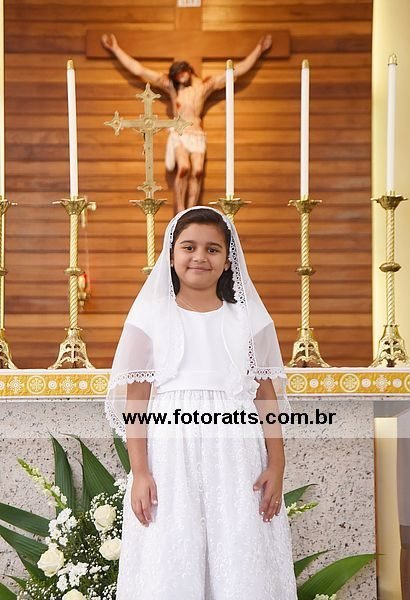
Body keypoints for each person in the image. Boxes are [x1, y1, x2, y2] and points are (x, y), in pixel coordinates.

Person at [105, 205, 297, 599]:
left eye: (213, 249)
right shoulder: (149, 317)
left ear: (228, 260)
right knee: (172, 550)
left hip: (237, 454)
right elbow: (137, 402)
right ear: (171, 255)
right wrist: (140, 472)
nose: (199, 257)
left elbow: (265, 396)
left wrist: (277, 463)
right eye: (188, 247)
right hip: (171, 456)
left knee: (240, 548)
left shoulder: (249, 320)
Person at [101, 34, 272, 216]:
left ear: (189, 70)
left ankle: (192, 208)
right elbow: (139, 70)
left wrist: (258, 50)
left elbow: (235, 72)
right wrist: (116, 49)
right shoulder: (171, 86)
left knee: (197, 171)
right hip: (180, 132)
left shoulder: (203, 85)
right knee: (183, 168)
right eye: (177, 75)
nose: (181, 77)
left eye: (182, 73)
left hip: (196, 132)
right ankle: (181, 209)